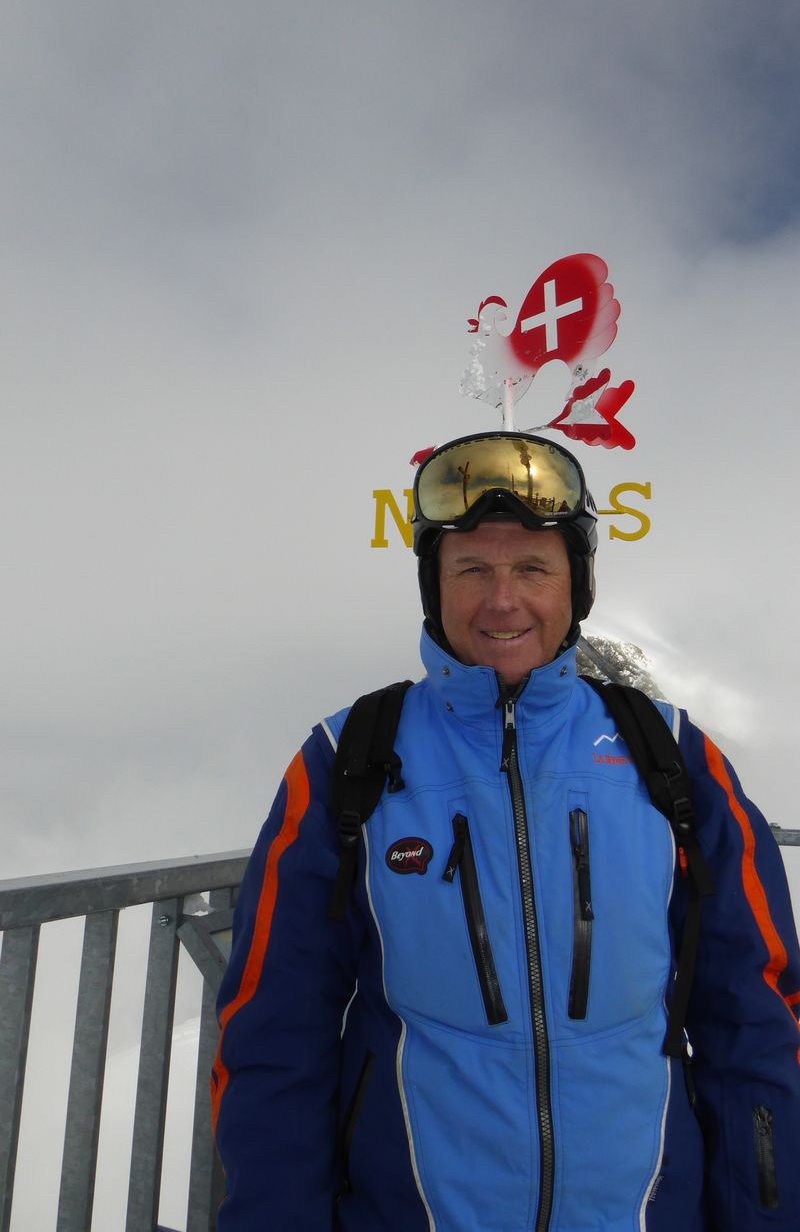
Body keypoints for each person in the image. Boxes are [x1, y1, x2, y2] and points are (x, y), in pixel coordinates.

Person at [212, 430, 800, 1231]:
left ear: (576, 584)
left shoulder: (673, 757)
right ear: (434, 584)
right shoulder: (347, 759)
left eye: (532, 568)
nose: (502, 600)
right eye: (471, 570)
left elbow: (754, 1018)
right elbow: (274, 1032)